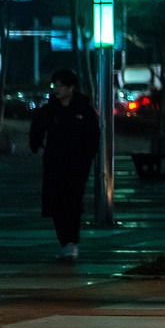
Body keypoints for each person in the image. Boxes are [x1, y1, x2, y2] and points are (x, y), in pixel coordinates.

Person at [29, 68, 100, 261]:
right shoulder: (50, 110)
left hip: (77, 165)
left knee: (72, 202)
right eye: (55, 86)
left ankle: (72, 242)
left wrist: (85, 158)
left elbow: (93, 136)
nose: (57, 90)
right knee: (55, 203)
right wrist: (36, 145)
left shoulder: (83, 110)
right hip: (54, 164)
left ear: (71, 88)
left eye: (61, 86)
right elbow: (37, 128)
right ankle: (65, 242)